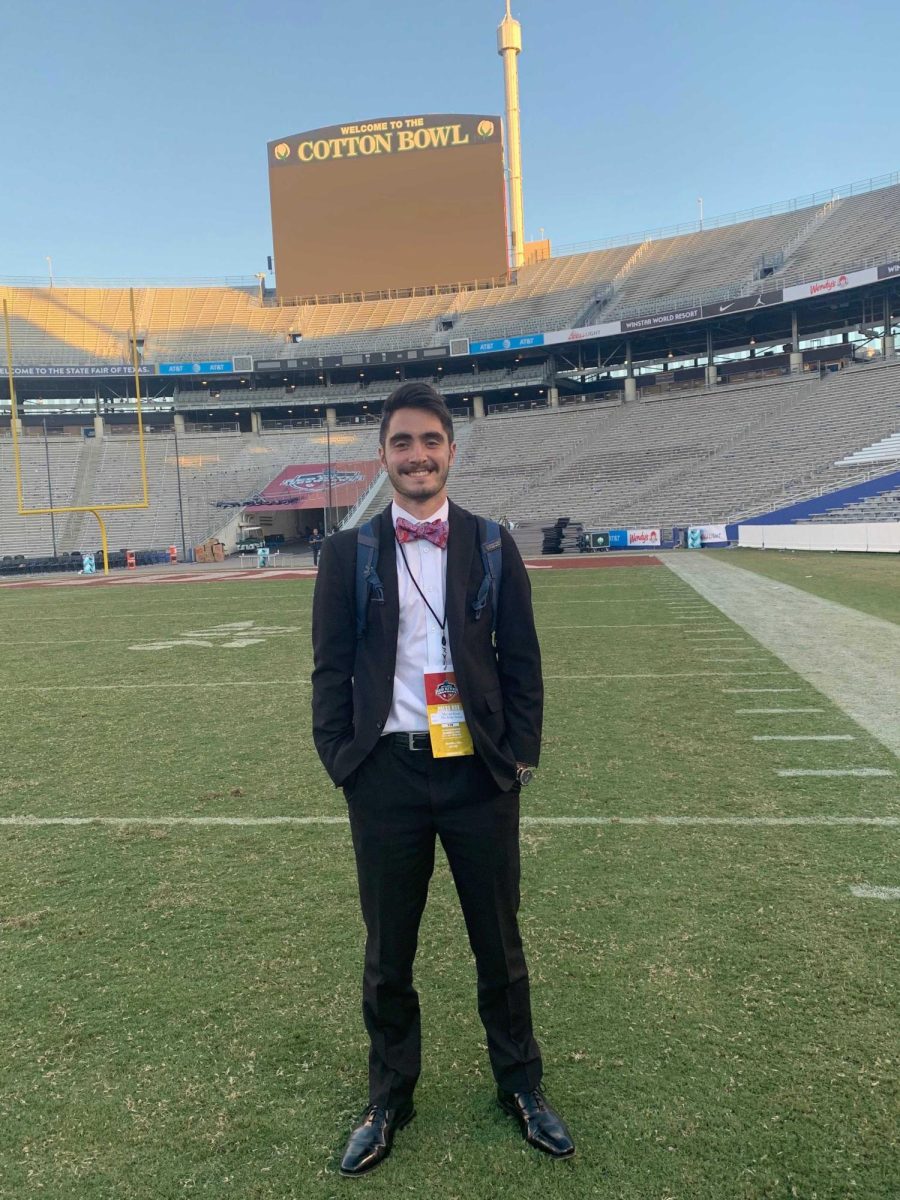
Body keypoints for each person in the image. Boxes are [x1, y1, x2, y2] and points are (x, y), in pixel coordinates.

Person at [311, 382, 573, 1178]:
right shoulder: (346, 554)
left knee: (500, 943)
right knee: (389, 950)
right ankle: (389, 1096)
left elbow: (522, 663)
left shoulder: (493, 544)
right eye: (401, 443)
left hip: (477, 778)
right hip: (384, 778)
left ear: (451, 451)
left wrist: (518, 756)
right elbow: (328, 671)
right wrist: (343, 761)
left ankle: (520, 1086)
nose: (417, 455)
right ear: (384, 456)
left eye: (430, 441)